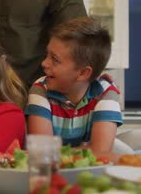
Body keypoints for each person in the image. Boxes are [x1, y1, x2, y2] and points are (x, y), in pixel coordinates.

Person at [25, 17, 122, 160]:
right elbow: (42, 153)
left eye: (55, 59)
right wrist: (87, 150)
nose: (44, 63)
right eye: (47, 54)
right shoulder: (40, 89)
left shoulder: (106, 93)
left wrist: (57, 152)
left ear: (83, 73)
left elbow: (100, 154)